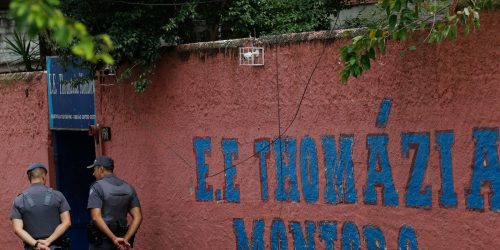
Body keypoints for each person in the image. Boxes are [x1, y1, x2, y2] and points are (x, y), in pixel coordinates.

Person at [10, 163, 72, 250]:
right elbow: (67, 222)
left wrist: (36, 244)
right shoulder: (58, 196)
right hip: (55, 247)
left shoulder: (19, 200)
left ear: (29, 178)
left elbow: (17, 229)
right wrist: (48, 241)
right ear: (44, 177)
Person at [87, 155, 142, 250]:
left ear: (101, 169)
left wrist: (114, 239)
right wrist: (125, 239)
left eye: (95, 169)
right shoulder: (128, 187)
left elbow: (96, 217)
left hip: (102, 243)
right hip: (121, 244)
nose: (93, 173)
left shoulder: (97, 187)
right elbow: (138, 217)